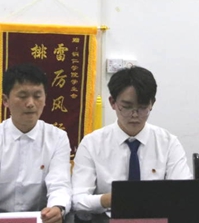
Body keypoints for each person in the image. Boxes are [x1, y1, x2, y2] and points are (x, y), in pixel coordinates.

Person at [72, 66, 192, 213]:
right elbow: (78, 200)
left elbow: (184, 192)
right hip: (106, 221)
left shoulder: (168, 143)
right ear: (112, 102)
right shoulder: (92, 144)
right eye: (127, 107)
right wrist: (112, 199)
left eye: (142, 107)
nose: (135, 115)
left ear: (152, 104)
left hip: (156, 220)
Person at [0, 63, 71, 223]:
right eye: (23, 96)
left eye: (37, 96)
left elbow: (59, 183)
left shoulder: (57, 138)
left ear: (45, 99)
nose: (31, 104)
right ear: (5, 100)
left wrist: (57, 208)